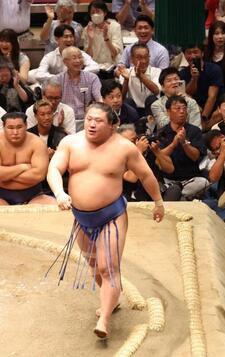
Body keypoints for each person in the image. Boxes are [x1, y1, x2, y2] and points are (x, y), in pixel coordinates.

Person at [46, 102, 164, 339]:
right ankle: (111, 299)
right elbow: (54, 169)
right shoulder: (71, 143)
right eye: (89, 118)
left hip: (111, 216)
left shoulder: (125, 148)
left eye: (98, 121)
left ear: (113, 125)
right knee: (94, 267)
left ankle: (104, 320)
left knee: (107, 266)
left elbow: (145, 175)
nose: (91, 124)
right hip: (81, 217)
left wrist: (158, 202)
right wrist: (59, 192)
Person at [158, 95, 209, 200]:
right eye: (177, 108)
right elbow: (159, 156)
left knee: (204, 183)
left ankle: (174, 195)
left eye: (184, 108)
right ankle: (179, 195)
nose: (182, 111)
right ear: (168, 112)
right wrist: (174, 144)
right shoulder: (161, 133)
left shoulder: (194, 131)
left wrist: (184, 143)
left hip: (191, 180)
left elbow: (195, 157)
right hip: (168, 179)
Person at [0, 112, 55, 206]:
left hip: (33, 194)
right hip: (1, 194)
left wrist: (6, 176)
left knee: (56, 207)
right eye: (10, 128)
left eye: (19, 127)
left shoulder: (37, 143)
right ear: (3, 126)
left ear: (26, 125)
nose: (15, 132)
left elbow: (39, 175)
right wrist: (23, 167)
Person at [117, 123, 179, 201]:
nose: (136, 143)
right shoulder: (119, 157)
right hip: (131, 196)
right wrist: (139, 152)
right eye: (132, 141)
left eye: (137, 139)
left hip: (153, 194)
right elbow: (132, 178)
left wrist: (157, 152)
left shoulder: (147, 151)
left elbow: (170, 169)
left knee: (174, 189)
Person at [32, 24, 100, 84]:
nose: (69, 40)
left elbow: (95, 67)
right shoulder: (50, 56)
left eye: (71, 36)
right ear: (56, 39)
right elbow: (39, 74)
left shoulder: (80, 53)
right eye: (66, 37)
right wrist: (62, 78)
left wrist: (78, 74)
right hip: (58, 88)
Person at [56, 46, 103, 127]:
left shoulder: (92, 78)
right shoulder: (58, 80)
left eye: (80, 57)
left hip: (87, 120)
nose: (78, 61)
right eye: (74, 58)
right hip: (65, 120)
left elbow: (99, 99)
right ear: (65, 62)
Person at [179, 44, 224, 125]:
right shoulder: (182, 74)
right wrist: (194, 78)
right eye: (188, 53)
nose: (192, 56)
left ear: (202, 53)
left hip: (213, 111)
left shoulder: (214, 69)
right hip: (194, 113)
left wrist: (204, 118)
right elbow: (188, 94)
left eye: (196, 52)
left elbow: (212, 97)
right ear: (184, 55)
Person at [118, 43, 161, 117]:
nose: (144, 61)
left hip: (150, 108)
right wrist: (126, 80)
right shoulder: (126, 72)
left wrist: (141, 76)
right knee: (127, 102)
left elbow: (156, 91)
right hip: (133, 109)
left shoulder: (157, 71)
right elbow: (122, 98)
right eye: (139, 58)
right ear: (131, 59)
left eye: (146, 57)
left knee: (152, 99)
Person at [83, 0, 123, 72]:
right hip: (94, 68)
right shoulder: (87, 29)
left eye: (98, 11)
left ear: (104, 13)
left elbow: (115, 53)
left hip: (112, 67)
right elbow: (88, 57)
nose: (95, 14)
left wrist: (106, 37)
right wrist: (90, 40)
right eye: (92, 12)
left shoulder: (114, 26)